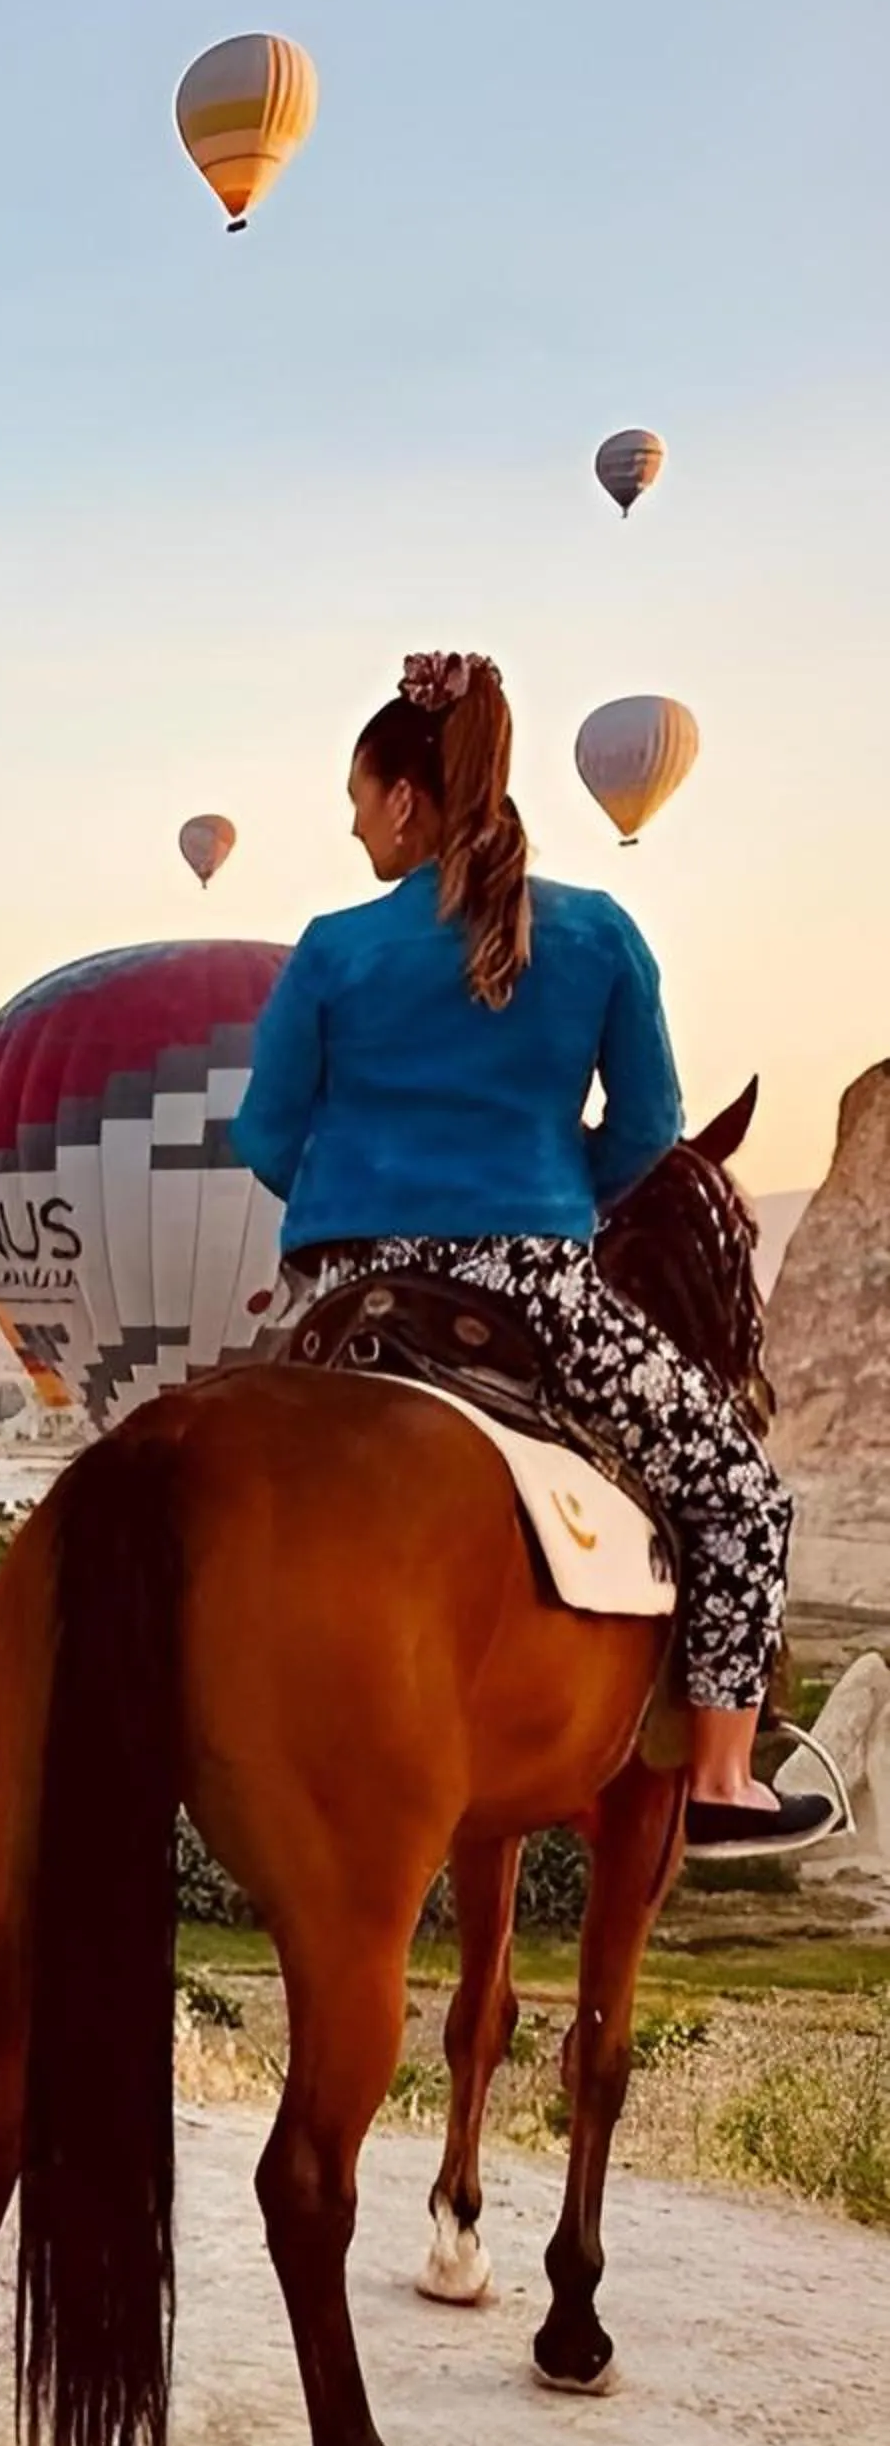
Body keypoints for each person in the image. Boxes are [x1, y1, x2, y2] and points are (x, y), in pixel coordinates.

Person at [235, 650, 827, 1854]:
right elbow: (654, 1127)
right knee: (739, 1494)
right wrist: (561, 1203)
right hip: (535, 1289)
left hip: (352, 1293)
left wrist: (353, 1205)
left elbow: (261, 1132)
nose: (356, 834)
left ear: (405, 799)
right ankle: (720, 1780)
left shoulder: (335, 948)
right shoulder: (600, 933)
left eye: (359, 807)